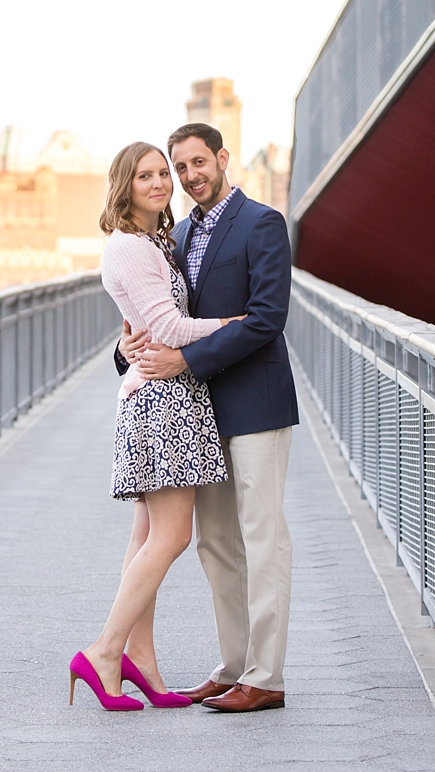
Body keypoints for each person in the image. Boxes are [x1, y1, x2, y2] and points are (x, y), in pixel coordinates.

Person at [118, 122, 300, 713]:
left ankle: (266, 676)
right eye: (180, 167)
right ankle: (234, 663)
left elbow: (267, 317)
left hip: (255, 403)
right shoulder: (181, 233)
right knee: (216, 541)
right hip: (197, 410)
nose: (190, 176)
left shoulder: (262, 224)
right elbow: (164, 315)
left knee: (262, 536)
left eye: (199, 163)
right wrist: (129, 351)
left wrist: (186, 357)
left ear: (223, 159)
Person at [69, 141, 243, 711]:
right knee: (172, 536)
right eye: (144, 175)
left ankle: (138, 659)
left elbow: (145, 323)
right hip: (161, 402)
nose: (159, 183)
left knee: (147, 536)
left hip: (169, 394)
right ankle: (103, 651)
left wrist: (135, 335)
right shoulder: (128, 248)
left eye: (162, 173)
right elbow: (167, 323)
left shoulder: (154, 243)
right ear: (124, 185)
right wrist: (233, 323)